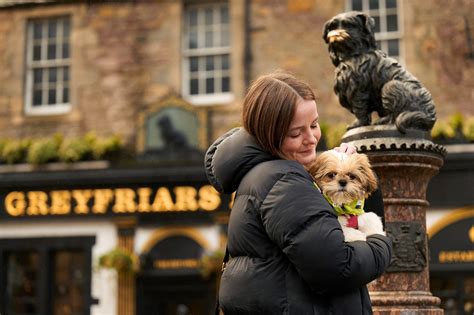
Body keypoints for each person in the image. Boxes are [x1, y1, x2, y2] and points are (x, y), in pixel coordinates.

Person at [204, 72, 392, 314]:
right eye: (295, 133)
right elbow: (339, 269)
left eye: (314, 125)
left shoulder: (265, 175)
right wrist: (382, 243)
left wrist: (354, 171)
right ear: (269, 135)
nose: (311, 138)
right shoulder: (284, 182)